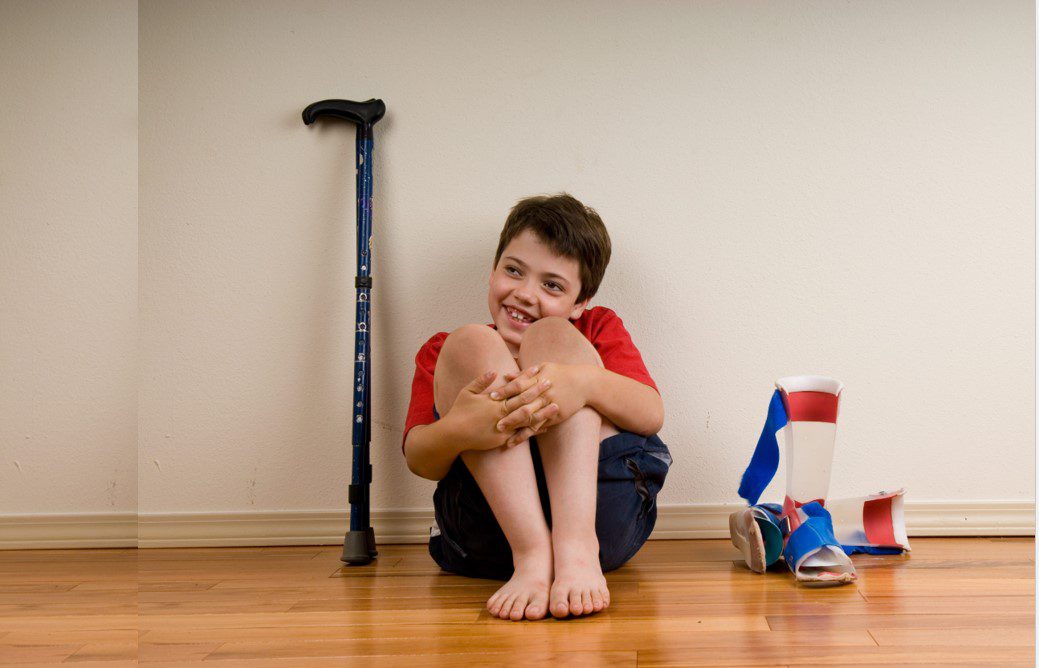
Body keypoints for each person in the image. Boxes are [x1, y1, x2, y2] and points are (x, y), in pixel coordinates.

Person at [402, 193, 671, 621]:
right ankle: (532, 554)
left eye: (552, 285)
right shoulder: (443, 353)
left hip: (601, 517)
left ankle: (574, 547)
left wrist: (580, 383)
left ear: (580, 303)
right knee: (470, 342)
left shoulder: (595, 327)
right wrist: (460, 428)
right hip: (488, 533)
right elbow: (420, 458)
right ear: (492, 273)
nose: (525, 294)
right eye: (514, 271)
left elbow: (650, 413)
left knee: (553, 337)